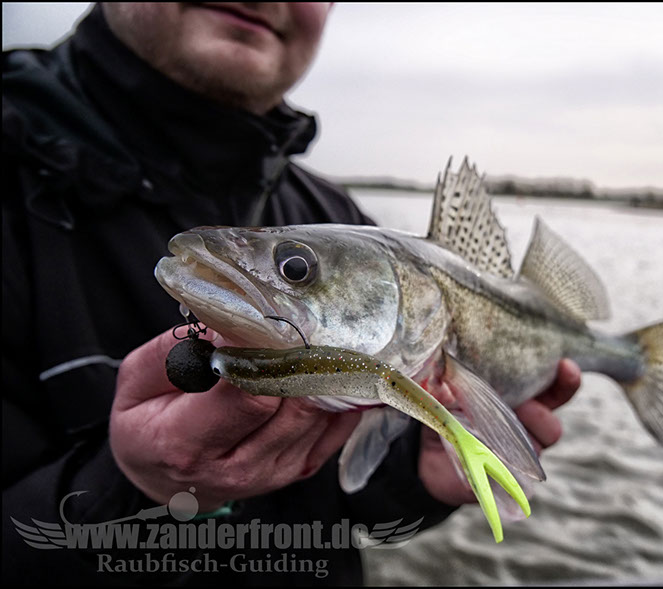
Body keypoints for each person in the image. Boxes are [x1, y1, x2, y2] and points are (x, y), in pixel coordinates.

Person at [2, 3, 582, 585]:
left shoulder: (335, 216)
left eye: (296, 268)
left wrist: (418, 476)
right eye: (296, 268)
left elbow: (347, 497)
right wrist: (127, 489)